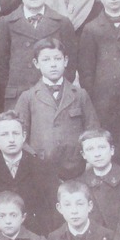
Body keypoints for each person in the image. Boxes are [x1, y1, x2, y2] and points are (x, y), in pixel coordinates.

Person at [11, 37, 101, 175]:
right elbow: (19, 135)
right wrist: (33, 158)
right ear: (36, 63)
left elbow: (93, 131)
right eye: (46, 60)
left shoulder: (80, 95)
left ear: (65, 61)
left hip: (76, 168)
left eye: (57, 59)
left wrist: (88, 160)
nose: (53, 64)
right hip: (41, 168)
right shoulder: (28, 97)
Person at [0, 0, 79, 108]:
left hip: (53, 95)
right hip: (18, 95)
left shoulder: (62, 22)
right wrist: (11, 88)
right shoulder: (7, 23)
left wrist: (57, 87)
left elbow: (71, 63)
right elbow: (0, 63)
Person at [0, 110, 58, 239]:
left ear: (24, 136)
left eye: (15, 133)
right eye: (4, 135)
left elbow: (52, 212)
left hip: (36, 239)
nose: (11, 139)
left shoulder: (43, 169)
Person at [77, 129, 120, 230]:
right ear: (84, 155)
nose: (97, 154)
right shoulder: (80, 184)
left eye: (101, 147)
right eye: (90, 149)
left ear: (112, 150)